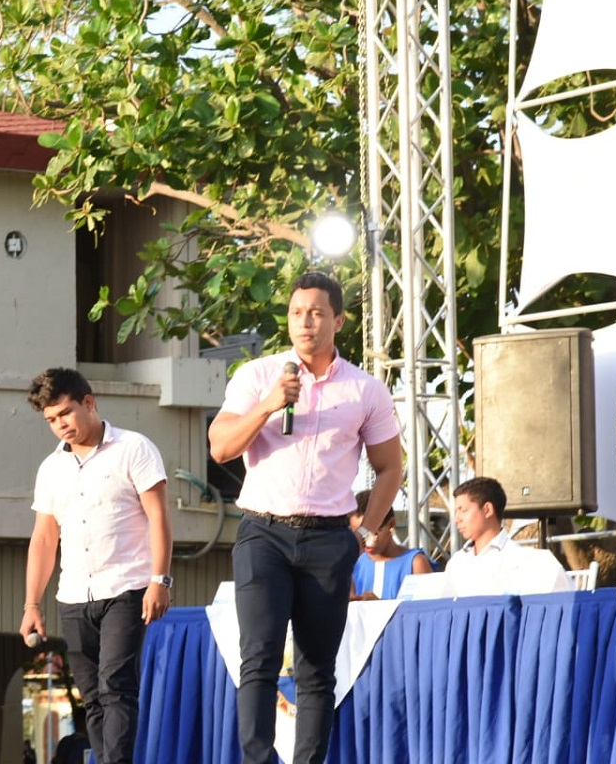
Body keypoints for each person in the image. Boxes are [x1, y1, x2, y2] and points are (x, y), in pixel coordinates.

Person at [208, 271, 403, 764]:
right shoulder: (258, 376)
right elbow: (221, 446)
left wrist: (366, 532)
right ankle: (259, 760)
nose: (305, 322)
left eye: (317, 313)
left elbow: (389, 468)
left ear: (338, 319)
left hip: (328, 539)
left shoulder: (365, 389)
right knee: (260, 656)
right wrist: (270, 405)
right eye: (297, 313)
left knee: (318, 668)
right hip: (263, 534)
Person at [21, 368, 173, 764]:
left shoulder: (134, 448)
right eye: (51, 420)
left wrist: (160, 579)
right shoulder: (50, 468)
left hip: (127, 587)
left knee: (117, 686)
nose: (60, 426)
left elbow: (159, 517)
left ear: (89, 402)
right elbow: (43, 538)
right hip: (73, 594)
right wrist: (31, 605)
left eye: (66, 414)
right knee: (93, 696)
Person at [445, 476, 569, 596]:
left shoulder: (536, 564)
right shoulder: (457, 563)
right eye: (456, 512)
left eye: (463, 510)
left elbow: (565, 608)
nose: (457, 519)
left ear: (487, 509)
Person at [349, 489, 434, 600]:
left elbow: (426, 612)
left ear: (391, 524)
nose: (365, 541)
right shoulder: (354, 564)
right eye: (359, 534)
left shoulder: (415, 563)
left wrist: (381, 607)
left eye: (372, 533)